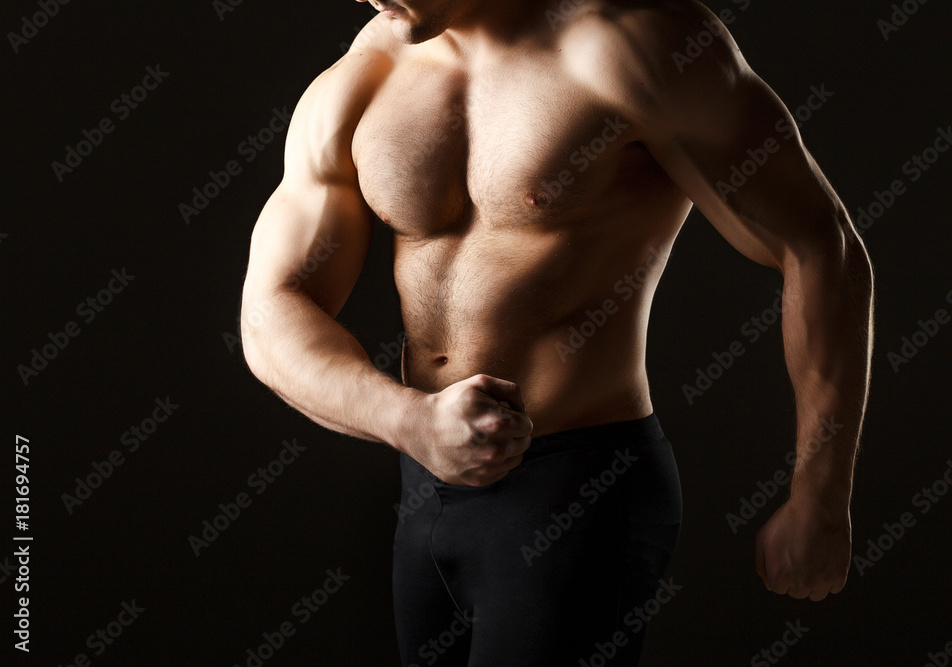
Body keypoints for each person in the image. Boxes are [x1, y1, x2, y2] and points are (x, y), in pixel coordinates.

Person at [239, 0, 874, 663]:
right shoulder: (370, 71)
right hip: (425, 489)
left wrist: (821, 495)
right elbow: (269, 306)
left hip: (576, 492)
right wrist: (409, 421)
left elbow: (821, 246)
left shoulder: (635, 41)